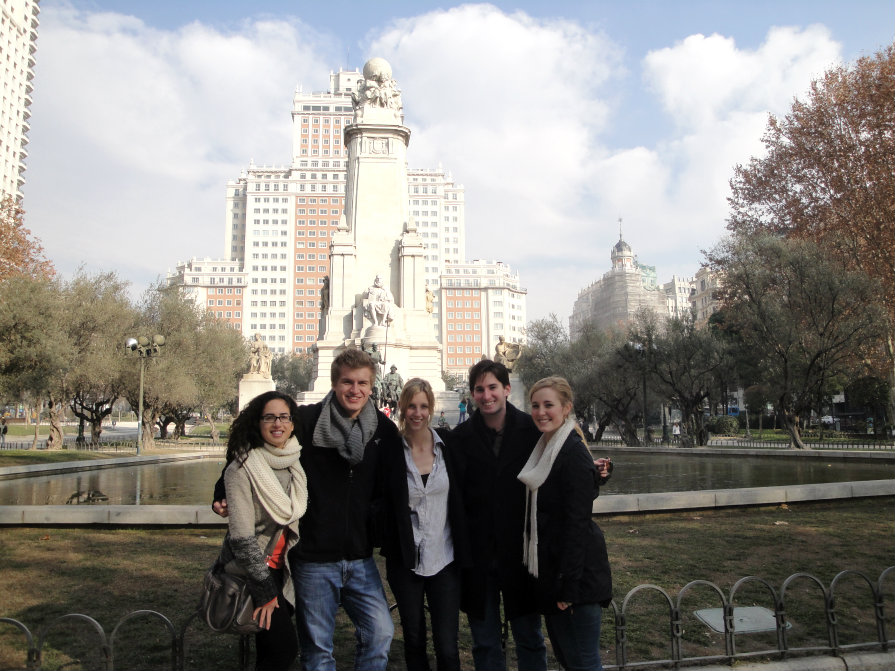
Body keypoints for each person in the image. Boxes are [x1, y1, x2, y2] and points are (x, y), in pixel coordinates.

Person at [213, 348, 398, 671]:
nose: (355, 390)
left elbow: (396, 480)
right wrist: (220, 489)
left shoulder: (383, 430)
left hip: (359, 557)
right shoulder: (308, 420)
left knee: (381, 632)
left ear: (372, 386)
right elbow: (255, 449)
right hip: (313, 557)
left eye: (362, 383)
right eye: (347, 382)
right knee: (317, 648)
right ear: (334, 384)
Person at [450, 359, 547, 671]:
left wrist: (596, 475)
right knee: (485, 643)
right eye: (479, 389)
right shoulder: (460, 438)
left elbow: (559, 477)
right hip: (479, 557)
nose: (486, 395)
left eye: (492, 387)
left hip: (521, 553)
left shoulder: (533, 431)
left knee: (530, 638)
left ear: (506, 389)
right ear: (472, 394)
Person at [520, 377, 613, 671]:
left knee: (583, 662)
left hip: (576, 581)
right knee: (570, 660)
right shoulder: (545, 447)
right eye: (535, 405)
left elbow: (577, 526)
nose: (541, 412)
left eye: (549, 405)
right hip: (555, 575)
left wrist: (568, 589)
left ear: (566, 407)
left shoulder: (571, 451)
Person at [380, 378, 470, 671]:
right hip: (406, 560)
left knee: (447, 645)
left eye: (422, 406)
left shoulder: (449, 445)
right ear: (402, 408)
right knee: (414, 639)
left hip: (444, 558)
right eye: (411, 407)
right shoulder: (391, 451)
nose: (416, 413)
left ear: (430, 409)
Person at [213, 390, 308, 671]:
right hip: (255, 572)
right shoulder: (242, 468)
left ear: (292, 423)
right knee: (284, 650)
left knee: (270, 653)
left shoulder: (295, 462)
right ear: (258, 422)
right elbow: (242, 539)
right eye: (269, 417)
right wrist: (265, 591)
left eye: (283, 417)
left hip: (284, 570)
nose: (277, 423)